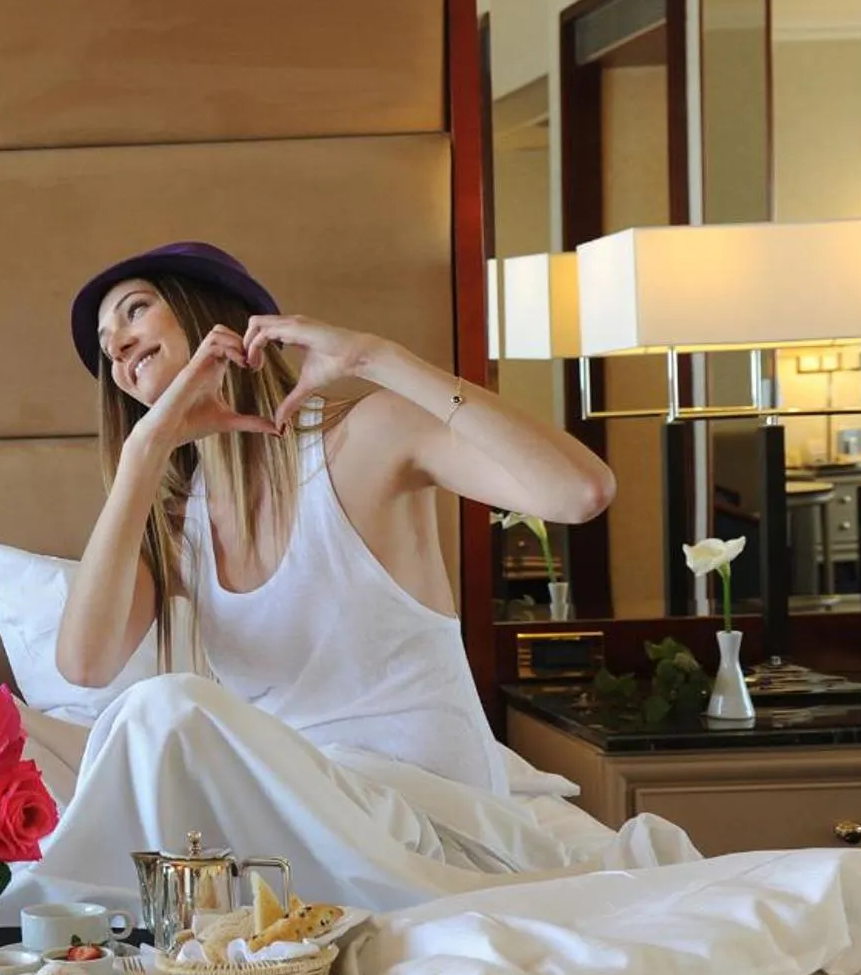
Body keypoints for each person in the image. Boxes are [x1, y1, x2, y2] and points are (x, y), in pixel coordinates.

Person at [56, 242, 615, 792]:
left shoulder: (364, 438)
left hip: (427, 807)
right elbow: (85, 666)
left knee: (166, 709)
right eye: (108, 351)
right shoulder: (176, 523)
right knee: (137, 724)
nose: (121, 347)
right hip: (295, 820)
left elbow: (580, 492)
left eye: (136, 310)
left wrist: (376, 359)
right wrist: (142, 453)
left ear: (210, 311)